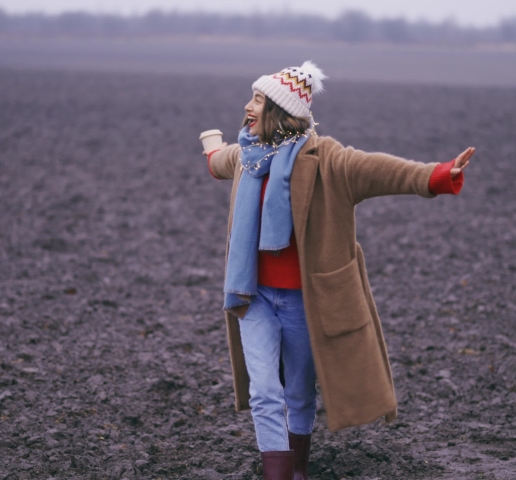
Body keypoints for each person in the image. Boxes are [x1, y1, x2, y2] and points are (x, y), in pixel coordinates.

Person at [202, 61, 474, 480]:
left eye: (257, 99)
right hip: (251, 296)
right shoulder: (248, 155)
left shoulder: (325, 159)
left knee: (297, 390)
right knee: (264, 393)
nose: (247, 106)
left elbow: (379, 170)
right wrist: (211, 148)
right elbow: (221, 160)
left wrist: (436, 176)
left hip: (304, 300)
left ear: (279, 110)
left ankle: (300, 468)